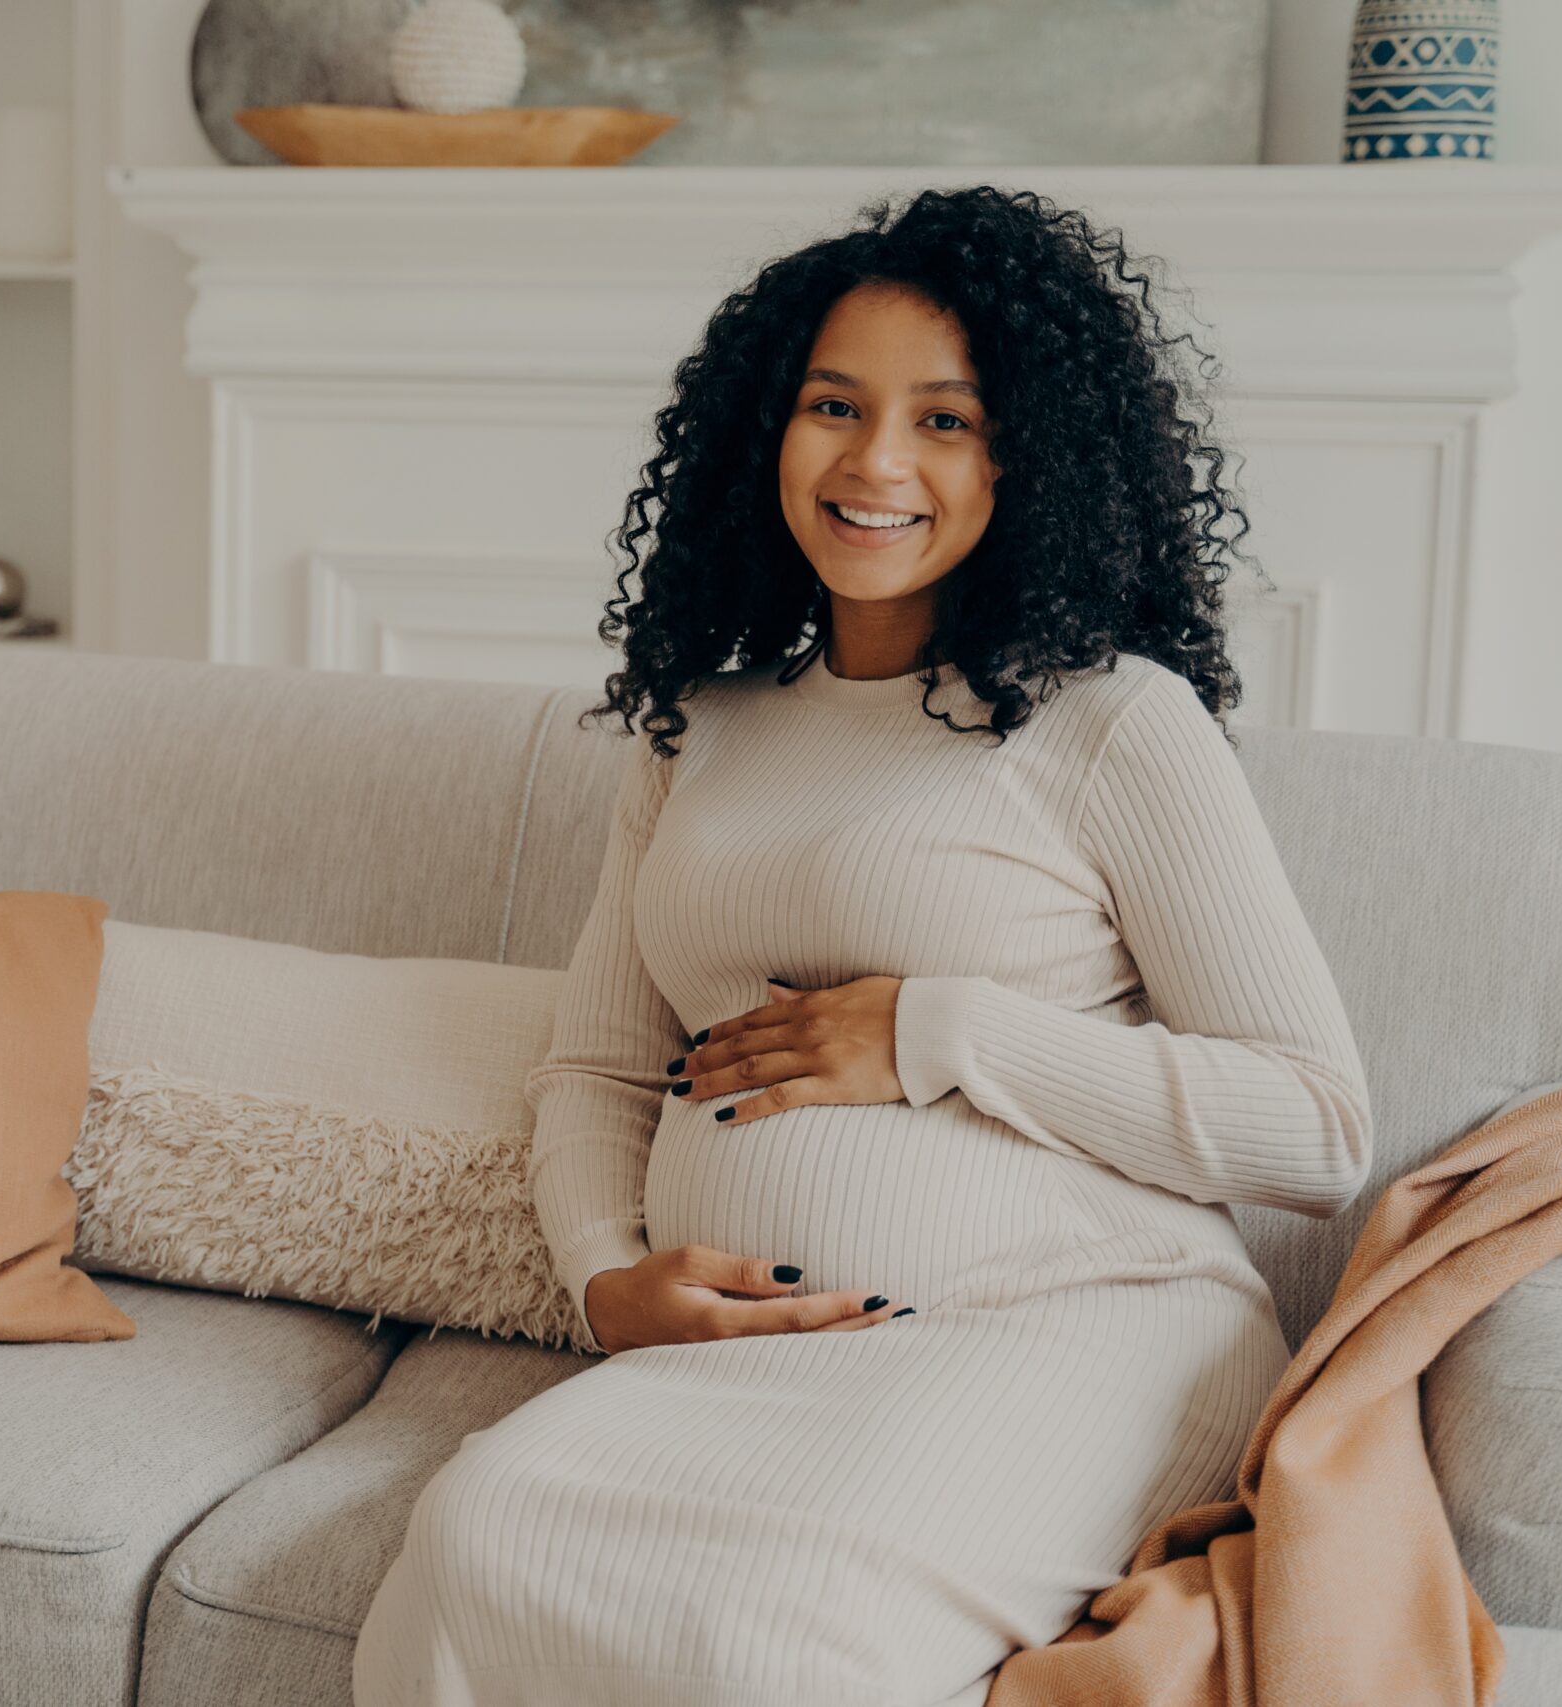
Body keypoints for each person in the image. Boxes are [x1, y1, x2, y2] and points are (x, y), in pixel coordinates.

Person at [350, 184, 1374, 1707]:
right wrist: (601, 1283)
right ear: (770, 426)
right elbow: (595, 1067)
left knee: (775, 1636)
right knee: (484, 1535)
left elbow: (1317, 1125)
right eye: (836, 405)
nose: (875, 462)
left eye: (945, 421)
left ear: (1028, 460)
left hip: (1069, 1329)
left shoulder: (1111, 723)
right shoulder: (702, 728)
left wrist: (936, 1029)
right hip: (751, 1359)